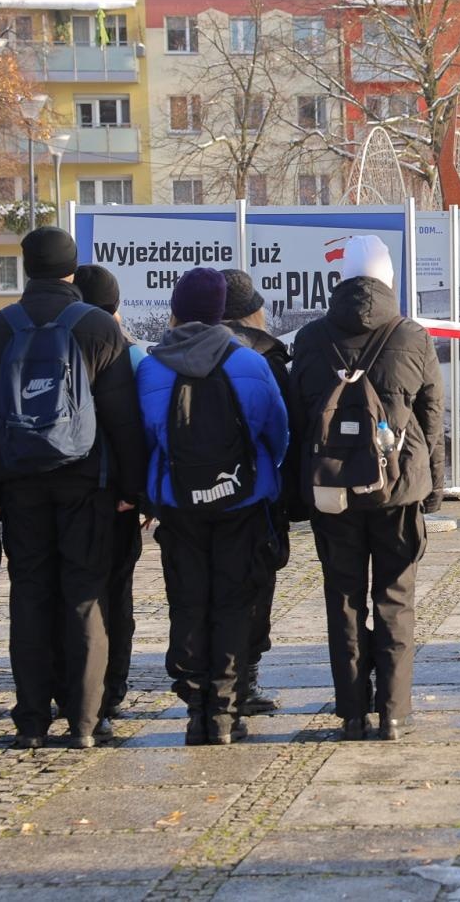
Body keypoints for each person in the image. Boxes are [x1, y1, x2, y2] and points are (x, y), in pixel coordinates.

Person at [0, 227, 147, 749]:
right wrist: (131, 490)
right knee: (85, 596)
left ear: (26, 269)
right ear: (73, 268)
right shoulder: (95, 326)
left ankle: (30, 721)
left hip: (19, 484)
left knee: (29, 595)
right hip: (87, 484)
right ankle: (86, 722)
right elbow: (123, 420)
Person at [290, 236, 446, 742]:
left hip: (333, 491)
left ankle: (353, 711)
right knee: (395, 598)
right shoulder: (412, 336)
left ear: (342, 280)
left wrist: (299, 492)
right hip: (398, 489)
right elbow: (432, 418)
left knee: (344, 598)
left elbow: (298, 423)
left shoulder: (311, 339)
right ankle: (395, 713)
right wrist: (433, 487)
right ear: (388, 281)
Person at [138, 268, 288, 745]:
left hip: (178, 505)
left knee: (187, 601)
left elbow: (144, 437)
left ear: (176, 311)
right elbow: (276, 432)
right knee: (233, 602)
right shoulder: (249, 363)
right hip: (241, 502)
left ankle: (196, 706)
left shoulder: (151, 367)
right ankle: (226, 712)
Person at [73, 264, 148, 723]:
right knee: (117, 591)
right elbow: (137, 427)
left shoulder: (55, 336)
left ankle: (72, 686)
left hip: (65, 483)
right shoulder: (132, 353)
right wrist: (137, 491)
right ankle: (112, 686)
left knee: (72, 588)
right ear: (116, 306)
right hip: (116, 491)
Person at [220, 268, 292, 715]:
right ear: (253, 313)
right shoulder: (265, 358)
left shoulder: (170, 355)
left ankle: (210, 683)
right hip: (255, 495)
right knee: (254, 585)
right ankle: (242, 680)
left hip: (190, 494)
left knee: (201, 587)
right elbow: (284, 431)